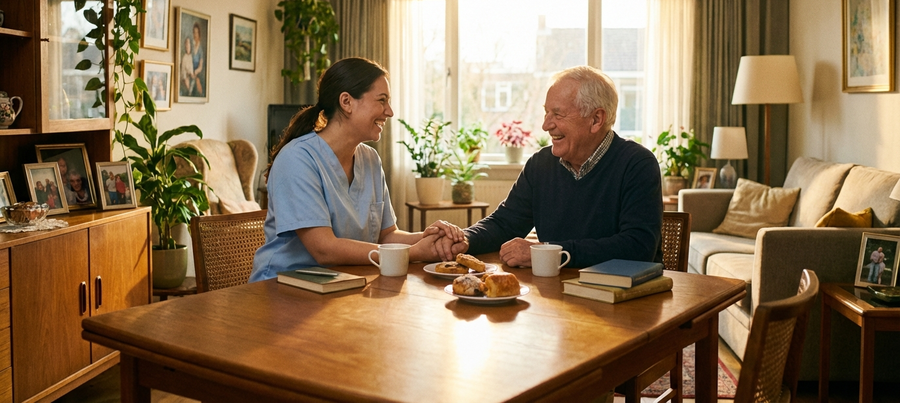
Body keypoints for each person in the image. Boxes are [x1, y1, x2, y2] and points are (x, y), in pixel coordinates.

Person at [249, 58, 465, 282]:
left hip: (342, 284)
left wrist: (428, 238)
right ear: (347, 102)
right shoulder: (297, 160)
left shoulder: (369, 159)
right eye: (382, 100)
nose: (389, 112)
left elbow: (387, 235)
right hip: (281, 288)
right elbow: (324, 249)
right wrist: (415, 253)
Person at [446, 65, 663, 268]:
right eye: (546, 112)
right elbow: (504, 224)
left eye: (558, 114)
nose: (546, 125)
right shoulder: (540, 164)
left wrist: (549, 253)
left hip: (624, 300)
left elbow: (637, 248)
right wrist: (465, 239)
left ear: (596, 119)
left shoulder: (637, 164)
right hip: (556, 294)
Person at [190, 22, 205, 97]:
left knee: (197, 81)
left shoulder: (200, 49)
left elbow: (200, 66)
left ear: (199, 34)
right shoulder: (191, 46)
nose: (195, 35)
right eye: (194, 32)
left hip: (198, 72)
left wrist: (195, 72)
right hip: (190, 70)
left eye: (197, 33)